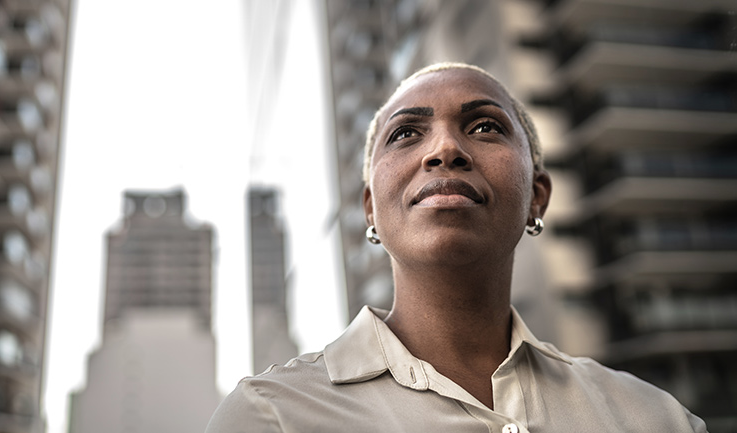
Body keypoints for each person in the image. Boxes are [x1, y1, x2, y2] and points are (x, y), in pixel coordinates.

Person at [206, 62, 707, 432]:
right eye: (406, 133)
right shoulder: (269, 416)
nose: (445, 148)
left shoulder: (657, 419)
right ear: (370, 210)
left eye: (485, 126)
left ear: (536, 196)